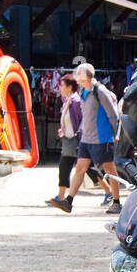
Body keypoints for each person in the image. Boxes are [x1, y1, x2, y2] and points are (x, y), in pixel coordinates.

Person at [52, 63, 121, 214]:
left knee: (109, 169)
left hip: (102, 138)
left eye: (79, 73)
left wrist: (115, 133)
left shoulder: (100, 91)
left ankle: (116, 202)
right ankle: (68, 202)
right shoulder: (83, 91)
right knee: (80, 169)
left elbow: (113, 113)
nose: (76, 75)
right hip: (87, 138)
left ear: (86, 76)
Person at [48, 75, 83, 207]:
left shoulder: (75, 102)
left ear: (69, 87)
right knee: (64, 167)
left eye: (62, 85)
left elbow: (79, 121)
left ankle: (109, 191)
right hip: (68, 139)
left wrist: (78, 137)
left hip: (74, 140)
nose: (60, 88)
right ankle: (61, 195)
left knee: (88, 168)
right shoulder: (68, 101)